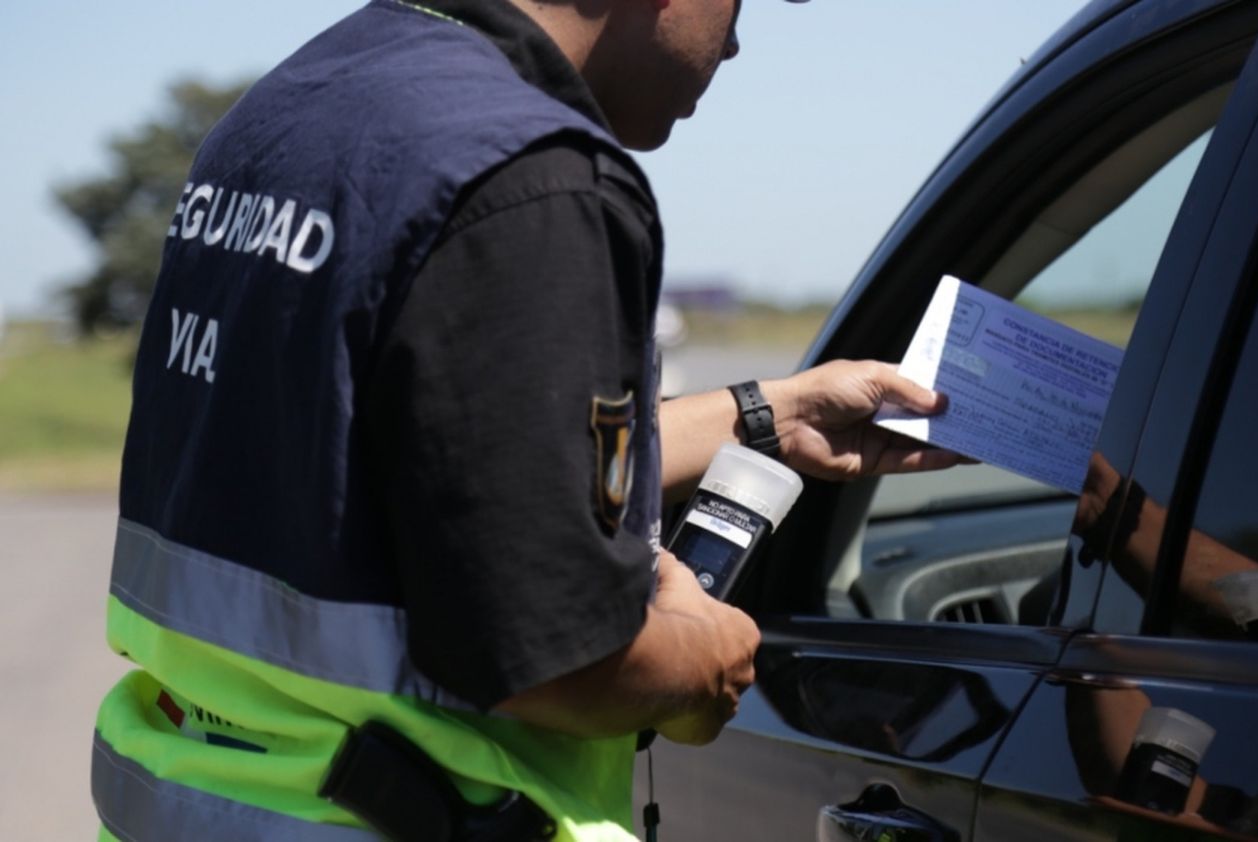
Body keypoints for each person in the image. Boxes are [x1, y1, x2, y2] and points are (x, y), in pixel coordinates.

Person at [90, 1, 963, 840]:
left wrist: (767, 416)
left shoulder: (285, 114)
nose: (736, 43)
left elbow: (414, 464)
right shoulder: (531, 177)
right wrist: (704, 661)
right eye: (739, 4)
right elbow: (554, 654)